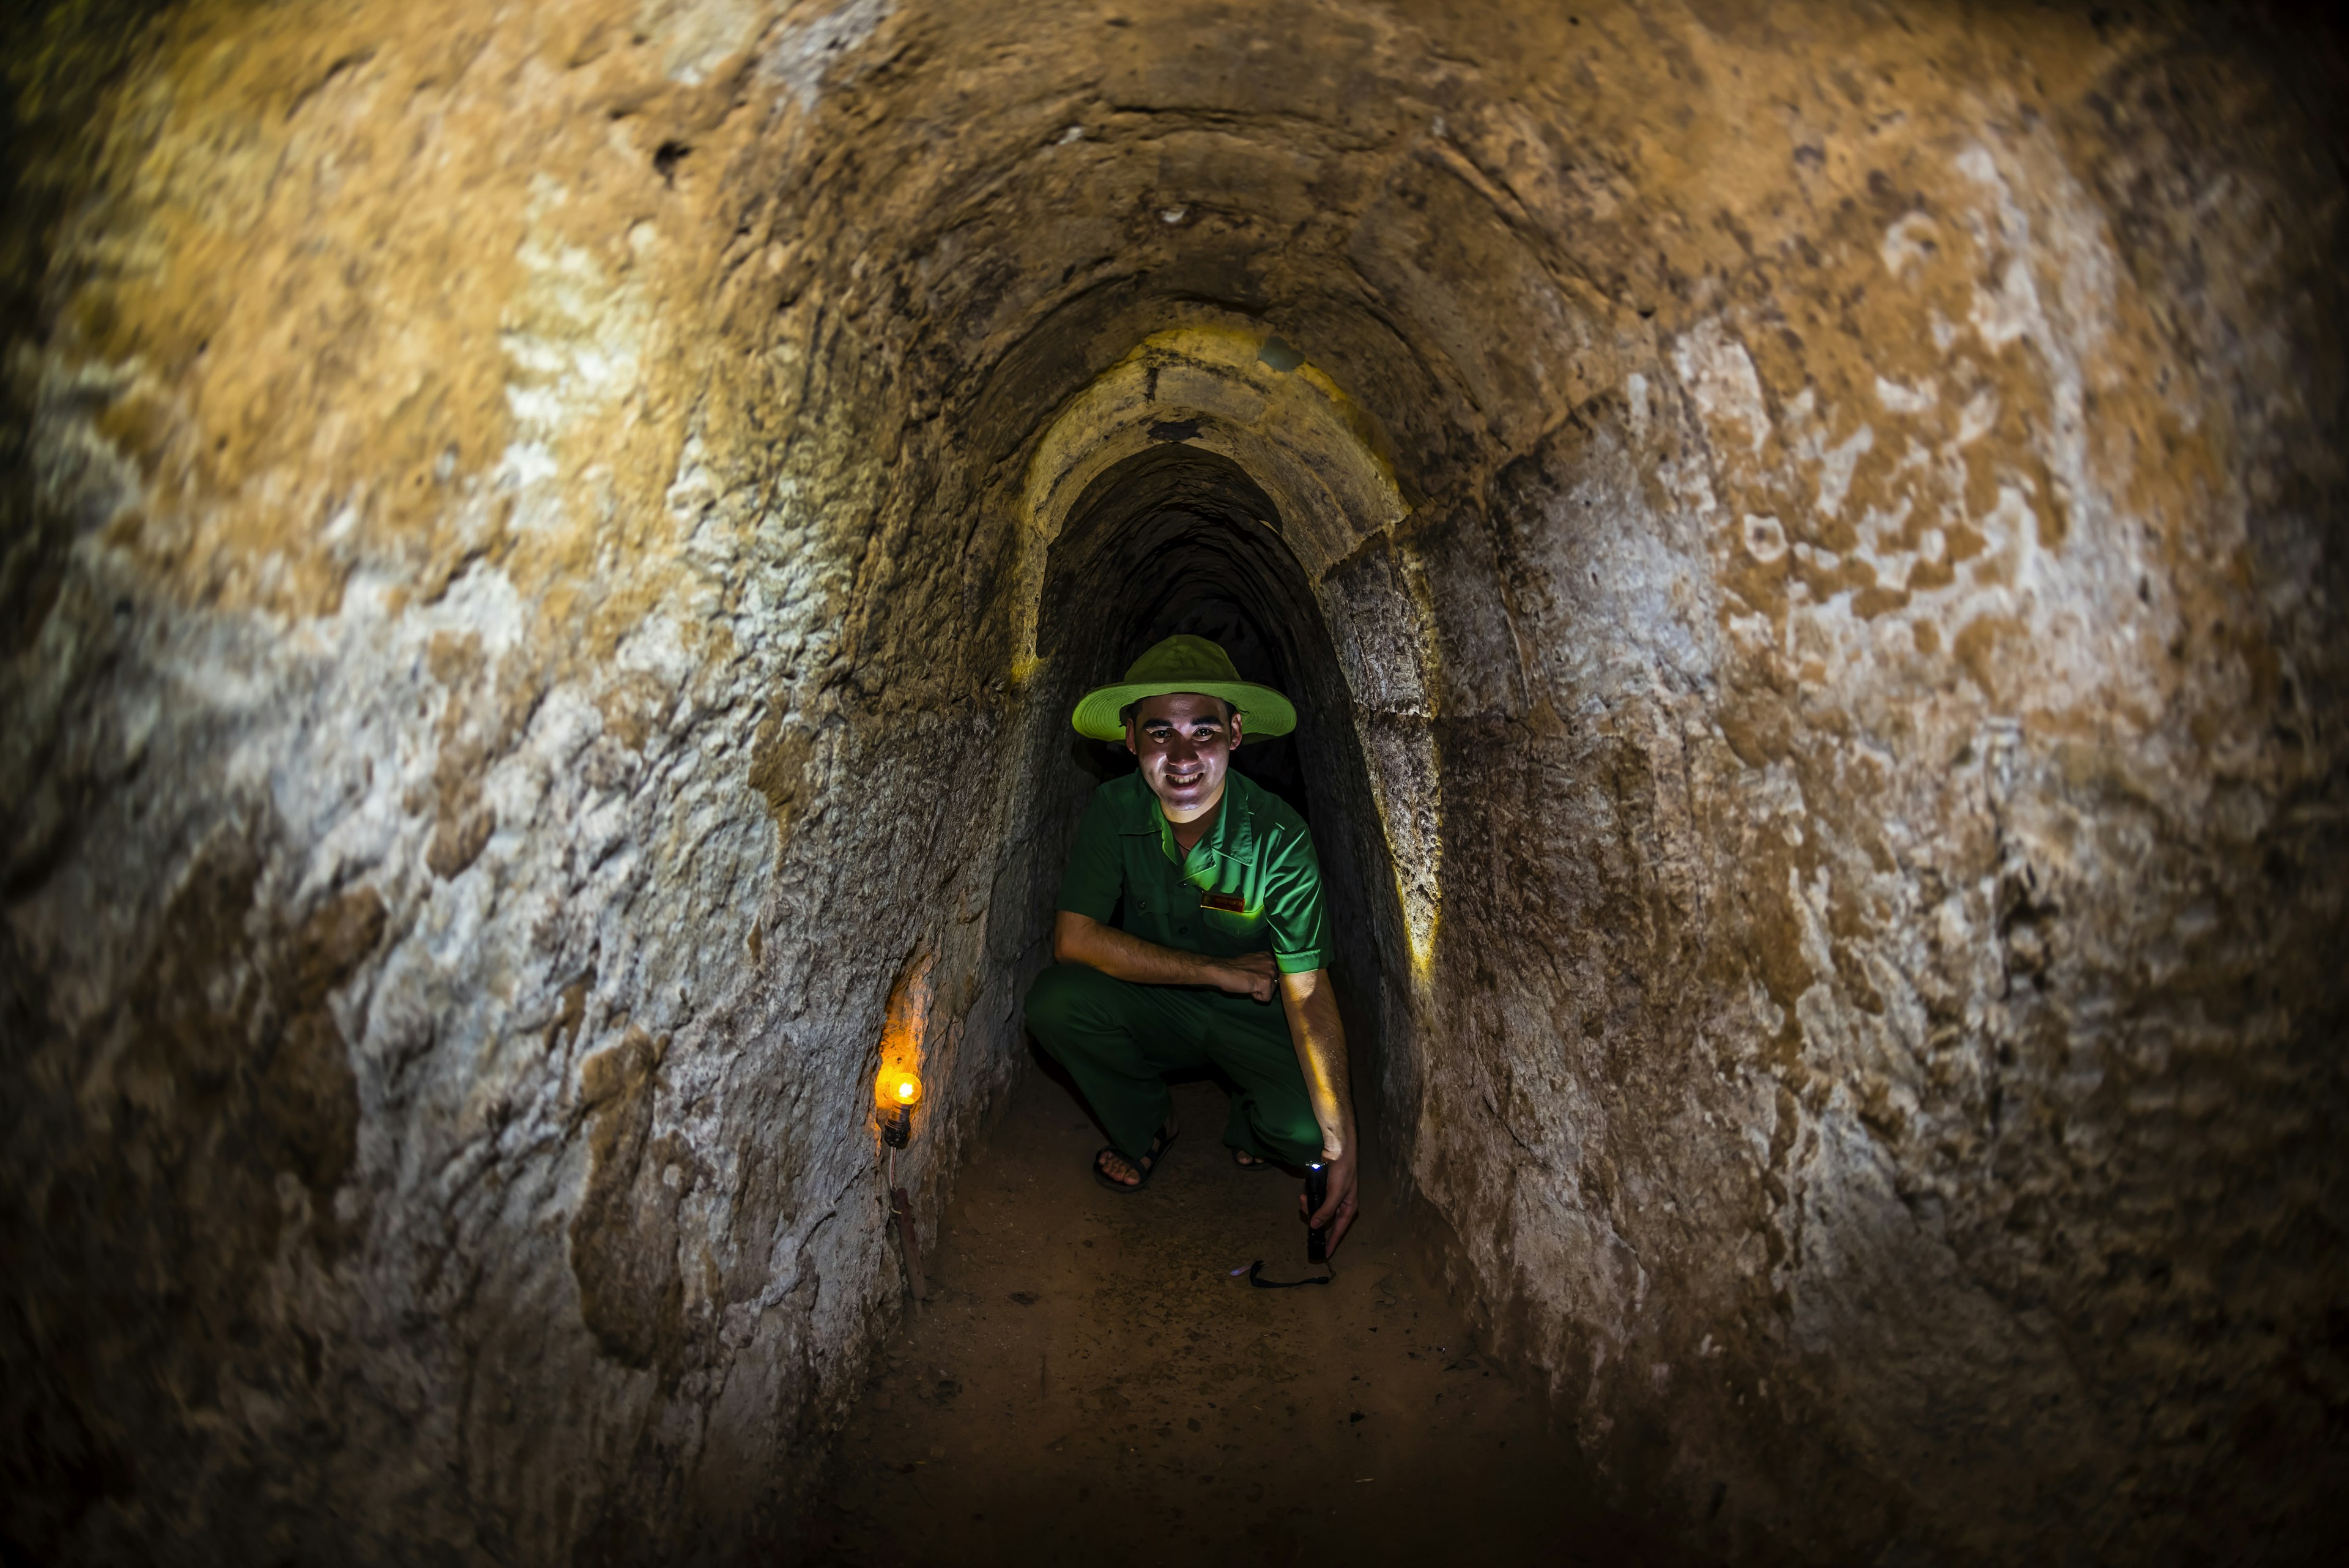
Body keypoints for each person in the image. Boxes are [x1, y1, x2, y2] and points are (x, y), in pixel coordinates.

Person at [1023, 633, 1360, 1255]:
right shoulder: (1113, 807)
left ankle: (1248, 1121)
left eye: (1202, 732)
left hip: (1257, 1012)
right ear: (1130, 740)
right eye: (1159, 733)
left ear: (1235, 733)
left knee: (1307, 1134)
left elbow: (1308, 992)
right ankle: (1151, 1123)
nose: (1181, 755)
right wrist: (1215, 970)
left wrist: (1344, 1142)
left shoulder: (1279, 836)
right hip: (1166, 998)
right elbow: (1074, 940)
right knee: (1055, 1001)